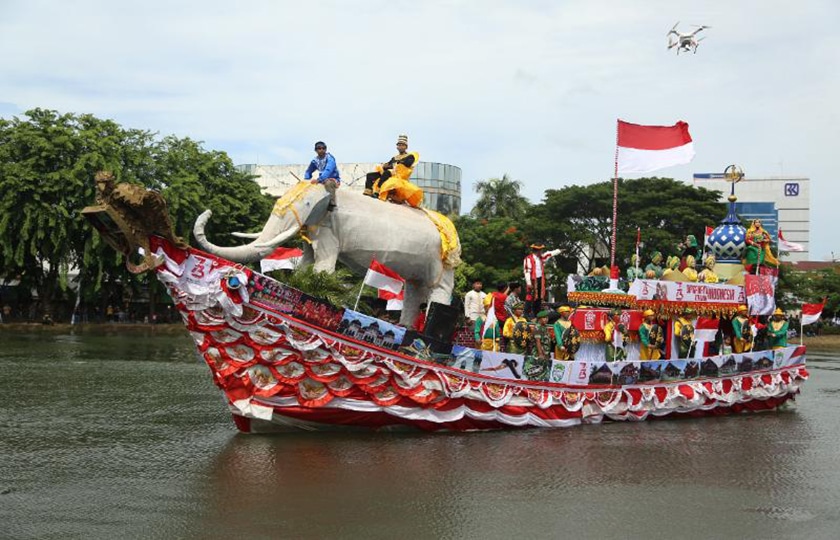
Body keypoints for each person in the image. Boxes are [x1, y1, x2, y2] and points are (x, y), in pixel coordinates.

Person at [372, 134, 423, 207]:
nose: (400, 147)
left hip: (400, 176)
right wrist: (386, 165)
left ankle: (378, 191)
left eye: (402, 145)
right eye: (399, 145)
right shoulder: (395, 157)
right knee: (373, 175)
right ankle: (370, 190)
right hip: (391, 173)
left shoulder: (410, 156)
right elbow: (388, 165)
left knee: (387, 173)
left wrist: (396, 164)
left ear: (406, 146)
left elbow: (407, 164)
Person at [523, 243, 561, 317]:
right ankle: (526, 314)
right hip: (533, 280)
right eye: (540, 250)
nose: (541, 251)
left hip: (540, 279)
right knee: (530, 297)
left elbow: (549, 254)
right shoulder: (528, 258)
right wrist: (528, 282)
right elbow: (527, 271)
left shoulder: (541, 258)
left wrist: (559, 250)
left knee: (539, 298)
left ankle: (537, 314)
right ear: (537, 250)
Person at [304, 141, 341, 210]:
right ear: (316, 150)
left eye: (323, 148)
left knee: (328, 183)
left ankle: (332, 203)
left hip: (332, 180)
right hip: (322, 180)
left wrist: (318, 180)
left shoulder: (330, 158)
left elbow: (328, 170)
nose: (321, 150)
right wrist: (306, 180)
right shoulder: (315, 161)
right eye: (319, 148)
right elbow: (308, 171)